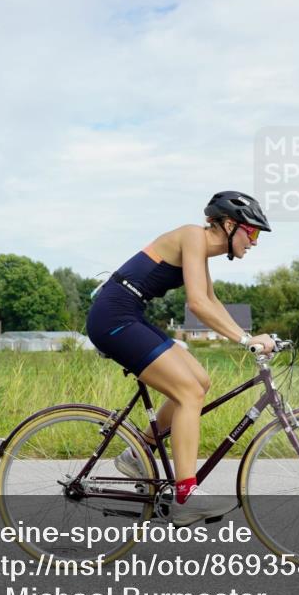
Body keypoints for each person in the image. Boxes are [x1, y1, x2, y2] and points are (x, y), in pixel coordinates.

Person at [86, 191, 275, 526]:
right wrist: (246, 341)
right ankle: (185, 494)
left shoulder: (199, 250)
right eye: (253, 232)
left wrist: (250, 338)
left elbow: (212, 301)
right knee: (188, 392)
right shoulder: (192, 235)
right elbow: (197, 305)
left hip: (130, 314)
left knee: (200, 381)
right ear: (230, 225)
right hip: (113, 317)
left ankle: (138, 452)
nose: (255, 242)